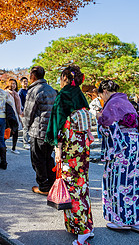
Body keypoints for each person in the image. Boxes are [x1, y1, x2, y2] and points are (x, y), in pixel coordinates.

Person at [45, 65, 93, 245]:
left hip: (69, 143)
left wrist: (57, 149)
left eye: (61, 77)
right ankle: (87, 225)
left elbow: (57, 123)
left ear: (65, 77)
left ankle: (82, 232)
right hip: (82, 144)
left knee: (72, 186)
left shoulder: (63, 94)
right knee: (82, 185)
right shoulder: (80, 95)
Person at [96, 80, 139, 234]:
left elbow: (109, 128)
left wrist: (99, 118)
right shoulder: (127, 102)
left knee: (118, 182)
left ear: (104, 91)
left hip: (121, 146)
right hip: (135, 143)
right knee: (134, 181)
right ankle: (136, 221)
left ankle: (120, 220)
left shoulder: (112, 104)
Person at [23, 66, 57, 195]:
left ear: (33, 76)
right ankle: (52, 183)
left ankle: (43, 186)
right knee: (48, 157)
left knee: (37, 159)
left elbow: (28, 113)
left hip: (38, 130)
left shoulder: (34, 90)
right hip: (50, 130)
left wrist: (26, 128)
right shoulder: (51, 90)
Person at [4, 79, 22, 154]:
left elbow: (18, 106)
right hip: (8, 115)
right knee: (9, 131)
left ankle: (14, 147)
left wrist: (20, 113)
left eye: (14, 84)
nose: (13, 85)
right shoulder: (5, 93)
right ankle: (2, 144)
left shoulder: (16, 93)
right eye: (11, 84)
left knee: (15, 131)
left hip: (16, 115)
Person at [19, 76, 31, 149]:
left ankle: (28, 140)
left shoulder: (29, 91)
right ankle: (25, 142)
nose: (25, 83)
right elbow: (19, 102)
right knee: (25, 127)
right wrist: (21, 111)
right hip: (24, 112)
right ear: (21, 83)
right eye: (24, 82)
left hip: (30, 111)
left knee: (30, 127)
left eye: (26, 81)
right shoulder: (20, 91)